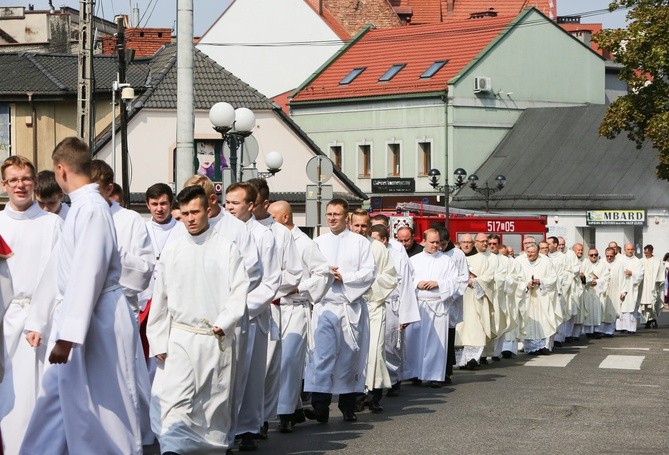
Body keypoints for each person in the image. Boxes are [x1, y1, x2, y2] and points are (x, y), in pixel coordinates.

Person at [21, 136, 141, 454]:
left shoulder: (92, 210)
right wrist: (41, 319)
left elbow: (87, 274)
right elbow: (59, 269)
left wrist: (67, 337)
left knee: (105, 407)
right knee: (61, 400)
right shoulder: (81, 208)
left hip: (97, 319)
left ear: (61, 171)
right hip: (83, 317)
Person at [147, 185, 249, 454]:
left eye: (195, 212)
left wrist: (225, 321)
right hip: (180, 337)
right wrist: (157, 340)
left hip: (214, 338)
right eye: (185, 213)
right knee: (173, 400)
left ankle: (212, 448)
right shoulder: (173, 250)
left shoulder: (227, 249)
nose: (190, 219)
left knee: (212, 405)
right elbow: (161, 298)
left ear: (208, 210)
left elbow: (239, 290)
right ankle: (172, 448)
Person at [0, 156, 62, 455]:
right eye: (14, 180)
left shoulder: (52, 224)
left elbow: (59, 278)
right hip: (6, 321)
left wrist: (42, 318)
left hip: (43, 321)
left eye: (26, 179)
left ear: (35, 182)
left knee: (39, 397)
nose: (20, 185)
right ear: (4, 185)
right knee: (8, 397)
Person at [90, 160, 155, 444]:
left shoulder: (129, 220)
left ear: (109, 189)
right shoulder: (75, 215)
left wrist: (112, 256)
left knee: (129, 380)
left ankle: (135, 437)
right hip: (87, 313)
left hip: (119, 306)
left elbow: (144, 268)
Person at [304, 198, 375, 423]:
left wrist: (344, 276)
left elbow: (369, 273)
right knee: (322, 356)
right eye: (329, 214)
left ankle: (347, 407)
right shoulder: (318, 242)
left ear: (347, 217)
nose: (332, 218)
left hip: (349, 306)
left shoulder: (360, 242)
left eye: (337, 214)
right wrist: (325, 273)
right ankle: (320, 407)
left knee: (348, 357)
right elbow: (307, 271)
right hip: (325, 305)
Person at [267, 200, 333, 433]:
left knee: (289, 361)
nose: (268, 222)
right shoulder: (269, 238)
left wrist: (300, 287)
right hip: (272, 308)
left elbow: (324, 274)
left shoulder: (303, 243)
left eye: (272, 217)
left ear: (285, 218)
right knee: (273, 363)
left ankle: (284, 414)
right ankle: (293, 407)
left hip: (294, 308)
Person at [225, 182, 280, 451]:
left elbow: (270, 280)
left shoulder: (263, 235)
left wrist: (243, 307)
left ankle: (248, 428)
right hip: (224, 316)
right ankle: (224, 428)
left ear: (250, 205)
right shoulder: (220, 230)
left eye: (236, 203)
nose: (230, 207)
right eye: (228, 202)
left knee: (252, 375)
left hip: (251, 314)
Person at [247, 178, 301, 438]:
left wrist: (268, 289)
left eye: (252, 203)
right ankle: (243, 422)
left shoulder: (280, 233)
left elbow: (293, 273)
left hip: (271, 307)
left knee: (267, 368)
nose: (246, 207)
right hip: (241, 308)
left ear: (264, 203)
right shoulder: (237, 228)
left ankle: (261, 420)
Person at [350, 209, 397, 412]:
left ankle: (374, 394)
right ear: (350, 224)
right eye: (356, 225)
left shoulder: (378, 247)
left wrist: (368, 283)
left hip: (373, 305)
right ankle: (356, 394)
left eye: (364, 226)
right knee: (354, 352)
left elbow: (390, 277)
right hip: (351, 306)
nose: (360, 230)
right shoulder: (346, 245)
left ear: (369, 227)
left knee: (375, 351)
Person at [369, 224, 419, 396]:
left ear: (384, 240)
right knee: (372, 345)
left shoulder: (397, 254)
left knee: (391, 344)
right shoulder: (366, 250)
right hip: (371, 303)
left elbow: (406, 284)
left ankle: (393, 378)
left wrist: (406, 314)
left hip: (392, 303)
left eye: (376, 239)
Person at [406, 229, 460, 386]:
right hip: (419, 305)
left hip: (437, 306)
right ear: (424, 241)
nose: (435, 245)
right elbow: (405, 279)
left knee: (436, 343)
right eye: (432, 242)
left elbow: (455, 281)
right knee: (415, 341)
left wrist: (439, 284)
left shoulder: (447, 261)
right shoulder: (414, 260)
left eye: (437, 242)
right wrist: (417, 283)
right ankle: (415, 373)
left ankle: (435, 376)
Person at [455, 234, 495, 369]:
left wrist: (475, 281)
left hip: (475, 299)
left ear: (473, 243)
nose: (466, 245)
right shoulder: (455, 257)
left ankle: (472, 359)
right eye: (463, 242)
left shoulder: (482, 259)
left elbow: (489, 278)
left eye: (469, 242)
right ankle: (461, 361)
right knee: (460, 330)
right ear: (460, 243)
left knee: (475, 329)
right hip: (459, 299)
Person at [517, 244, 557, 355]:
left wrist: (541, 281)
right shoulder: (520, 262)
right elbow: (516, 279)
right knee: (528, 321)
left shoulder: (546, 262)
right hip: (527, 297)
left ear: (538, 252)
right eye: (528, 252)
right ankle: (530, 347)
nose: (529, 254)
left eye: (532, 252)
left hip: (542, 296)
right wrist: (526, 285)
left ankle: (542, 346)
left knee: (543, 320)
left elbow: (553, 278)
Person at [615, 243, 643, 333]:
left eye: (631, 249)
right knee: (621, 305)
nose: (630, 251)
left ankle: (631, 328)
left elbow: (641, 274)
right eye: (628, 249)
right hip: (621, 285)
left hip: (631, 287)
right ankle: (621, 327)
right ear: (624, 250)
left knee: (631, 306)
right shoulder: (619, 259)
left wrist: (632, 273)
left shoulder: (637, 261)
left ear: (634, 250)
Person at [581, 248, 607, 338]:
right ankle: (588, 331)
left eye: (595, 254)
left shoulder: (602, 264)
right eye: (591, 255)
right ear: (588, 256)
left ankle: (597, 330)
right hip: (588, 290)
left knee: (598, 310)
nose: (594, 256)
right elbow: (581, 276)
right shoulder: (584, 264)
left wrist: (598, 281)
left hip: (598, 291)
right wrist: (589, 281)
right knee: (588, 310)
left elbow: (606, 277)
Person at [639, 244, 664, 328]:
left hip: (653, 285)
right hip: (644, 286)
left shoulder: (657, 261)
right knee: (644, 304)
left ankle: (653, 319)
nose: (645, 254)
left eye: (647, 252)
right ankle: (646, 320)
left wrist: (659, 281)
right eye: (644, 252)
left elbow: (661, 272)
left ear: (651, 251)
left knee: (653, 302)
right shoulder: (641, 261)